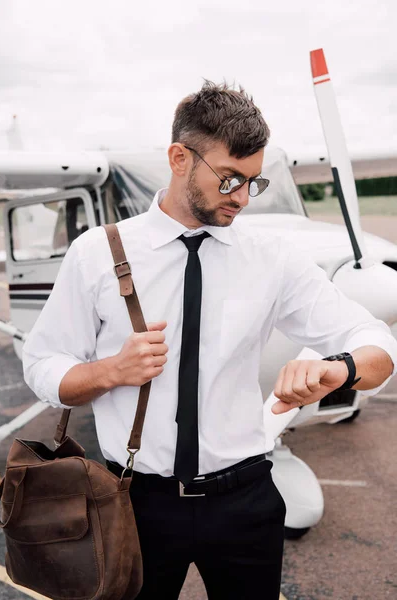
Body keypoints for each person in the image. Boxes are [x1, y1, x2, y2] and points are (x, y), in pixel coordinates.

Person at [22, 81, 397, 600]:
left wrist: (340, 368)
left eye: (254, 183)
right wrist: (110, 371)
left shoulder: (274, 258)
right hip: (133, 502)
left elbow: (375, 341)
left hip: (245, 499)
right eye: (229, 180)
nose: (242, 198)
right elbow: (41, 363)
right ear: (180, 158)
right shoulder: (95, 254)